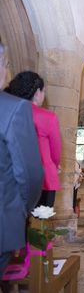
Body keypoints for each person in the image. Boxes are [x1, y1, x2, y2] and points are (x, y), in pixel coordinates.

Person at [0, 42, 44, 278]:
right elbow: (30, 173)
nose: (7, 72)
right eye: (6, 64)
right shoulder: (13, 108)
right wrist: (22, 209)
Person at [7, 71, 62, 207]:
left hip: (13, 176)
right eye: (44, 91)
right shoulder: (48, 117)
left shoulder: (9, 111)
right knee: (41, 222)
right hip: (44, 179)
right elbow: (56, 150)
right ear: (38, 92)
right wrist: (55, 165)